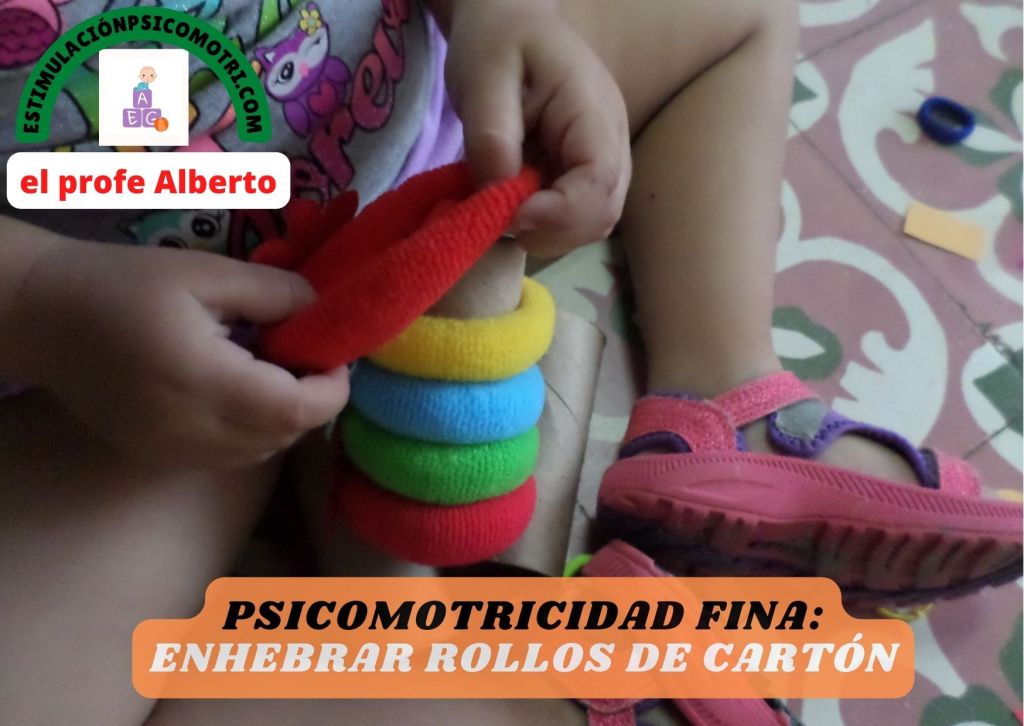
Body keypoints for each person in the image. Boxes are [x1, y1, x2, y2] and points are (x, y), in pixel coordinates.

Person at [1, 1, 1018, 724]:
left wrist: (502, 12)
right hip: (107, 366)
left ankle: (721, 397)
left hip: (433, 165)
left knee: (737, 8)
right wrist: (44, 301)